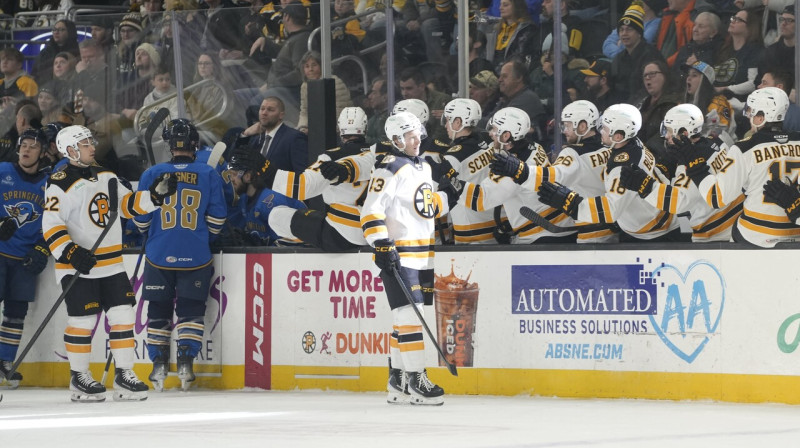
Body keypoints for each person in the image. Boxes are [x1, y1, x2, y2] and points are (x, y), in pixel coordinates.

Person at [42, 125, 177, 402]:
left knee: (123, 318)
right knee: (82, 320)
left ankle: (124, 374)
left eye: (92, 141)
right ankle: (79, 377)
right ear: (70, 150)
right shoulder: (59, 182)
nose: (92, 146)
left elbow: (126, 205)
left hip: (112, 265)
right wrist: (70, 253)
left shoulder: (106, 174)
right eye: (85, 143)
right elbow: (51, 226)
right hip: (78, 267)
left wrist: (154, 196)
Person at [360, 111, 453, 405]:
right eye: (410, 136)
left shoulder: (423, 167)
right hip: (399, 256)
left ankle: (397, 381)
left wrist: (449, 196)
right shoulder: (389, 169)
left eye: (417, 134)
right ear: (397, 139)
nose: (417, 140)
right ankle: (417, 381)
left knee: (405, 320)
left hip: (423, 256)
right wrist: (382, 245)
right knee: (411, 317)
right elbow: (370, 211)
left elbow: (424, 208)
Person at [134, 119, 227, 391]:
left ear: (168, 145)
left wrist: (158, 235)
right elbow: (218, 220)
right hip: (196, 254)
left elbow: (140, 219)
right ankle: (186, 365)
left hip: (158, 254)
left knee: (158, 311)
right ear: (194, 143)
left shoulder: (152, 173)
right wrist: (196, 238)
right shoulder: (208, 174)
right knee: (191, 311)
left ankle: (158, 366)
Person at [537, 103, 682, 242]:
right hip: (657, 224)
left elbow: (611, 209)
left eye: (605, 129)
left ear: (618, 136)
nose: (601, 131)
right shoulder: (634, 143)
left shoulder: (623, 166)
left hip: (654, 234)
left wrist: (570, 203)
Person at [490, 100, 619, 243]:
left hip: (591, 233)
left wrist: (521, 171)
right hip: (616, 226)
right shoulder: (611, 146)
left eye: (567, 125)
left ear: (582, 126)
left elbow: (552, 177)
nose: (564, 130)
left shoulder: (573, 153)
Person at [688, 87, 800, 247]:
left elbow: (716, 198)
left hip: (755, 237)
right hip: (796, 235)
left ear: (761, 118)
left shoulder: (744, 148)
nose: (749, 117)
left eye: (752, 113)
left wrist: (695, 168)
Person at [617, 103, 743, 242]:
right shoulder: (717, 142)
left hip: (714, 236)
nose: (666, 136)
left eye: (669, 130)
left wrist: (645, 185)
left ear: (684, 133)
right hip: (736, 222)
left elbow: (679, 203)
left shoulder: (690, 162)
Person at [450, 107, 572, 244]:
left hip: (542, 235)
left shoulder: (511, 170)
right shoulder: (535, 147)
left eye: (494, 130)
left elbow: (481, 199)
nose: (490, 134)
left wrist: (453, 186)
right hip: (562, 226)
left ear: (506, 136)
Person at [267, 107, 373, 251]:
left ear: (340, 128)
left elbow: (304, 186)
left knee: (276, 215)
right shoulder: (378, 153)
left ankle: (300, 241)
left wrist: (266, 172)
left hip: (340, 234)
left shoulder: (330, 157)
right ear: (365, 127)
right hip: (375, 231)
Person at [0, 128, 51, 388]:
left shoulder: (49, 183)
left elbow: (57, 222)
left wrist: (42, 248)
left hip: (24, 258)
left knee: (16, 312)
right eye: (24, 145)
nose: (27, 149)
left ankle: (5, 361)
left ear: (42, 153)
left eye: (33, 146)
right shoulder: (2, 171)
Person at [423, 98, 497, 244]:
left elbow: (434, 194)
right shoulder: (488, 141)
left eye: (448, 120)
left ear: (458, 122)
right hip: (495, 226)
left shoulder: (453, 157)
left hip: (470, 234)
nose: (446, 125)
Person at [226, 146, 306, 246]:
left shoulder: (273, 201)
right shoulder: (244, 199)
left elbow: (292, 243)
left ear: (248, 176)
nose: (231, 179)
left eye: (234, 174)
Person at [236, 96, 308, 173]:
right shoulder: (256, 139)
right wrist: (245, 134)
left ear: (281, 115)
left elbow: (302, 175)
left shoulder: (294, 138)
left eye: (270, 110)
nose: (264, 113)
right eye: (262, 109)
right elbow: (237, 161)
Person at [611, 1, 665, 102]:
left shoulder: (651, 55)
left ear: (639, 33)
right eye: (621, 30)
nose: (624, 33)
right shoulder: (618, 58)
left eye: (629, 29)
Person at [296, 51, 352, 134]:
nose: (310, 69)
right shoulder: (305, 86)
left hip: (337, 130)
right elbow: (304, 111)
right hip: (315, 129)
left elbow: (340, 112)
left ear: (322, 66)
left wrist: (316, 130)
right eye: (307, 66)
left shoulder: (335, 82)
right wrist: (303, 127)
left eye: (314, 65)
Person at [683, 60, 736, 144]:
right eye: (688, 75)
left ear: (704, 81)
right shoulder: (690, 105)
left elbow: (720, 134)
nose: (688, 79)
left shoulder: (718, 102)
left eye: (694, 75)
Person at [32, 19, 80, 85]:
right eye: (54, 29)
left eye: (61, 30)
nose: (56, 32)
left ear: (70, 32)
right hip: (44, 87)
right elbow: (35, 73)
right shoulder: (45, 52)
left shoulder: (78, 51)